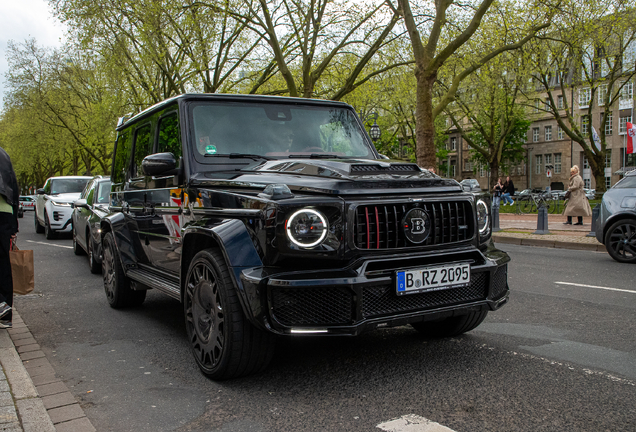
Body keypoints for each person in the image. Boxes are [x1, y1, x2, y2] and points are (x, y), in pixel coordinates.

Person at [0, 147, 19, 329]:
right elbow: (14, 185)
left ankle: (0, 304)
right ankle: (6, 317)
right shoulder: (4, 154)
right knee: (4, 263)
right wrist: (14, 224)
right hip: (5, 211)